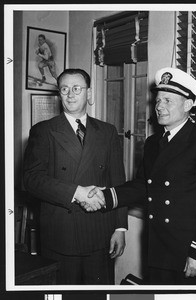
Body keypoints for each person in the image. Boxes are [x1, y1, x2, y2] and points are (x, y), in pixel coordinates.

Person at [80, 67, 196, 285]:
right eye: (158, 100)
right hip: (157, 246)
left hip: (187, 251)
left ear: (188, 105)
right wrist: (106, 195)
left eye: (168, 101)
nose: (159, 106)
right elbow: (143, 186)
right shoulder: (152, 144)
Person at [23, 68, 128, 285]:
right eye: (64, 89)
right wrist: (76, 193)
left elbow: (117, 182)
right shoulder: (43, 131)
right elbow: (31, 179)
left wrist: (119, 228)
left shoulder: (107, 132)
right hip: (61, 233)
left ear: (88, 94)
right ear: (59, 95)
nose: (70, 94)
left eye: (77, 88)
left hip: (100, 231)